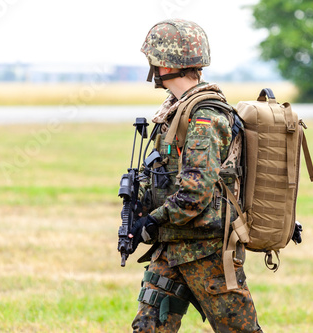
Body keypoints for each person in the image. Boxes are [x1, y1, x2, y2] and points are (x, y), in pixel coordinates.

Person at [128, 19, 263, 333]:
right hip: (173, 244)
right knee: (148, 327)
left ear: (163, 64)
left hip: (207, 251)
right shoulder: (176, 108)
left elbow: (195, 194)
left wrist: (152, 221)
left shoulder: (204, 116)